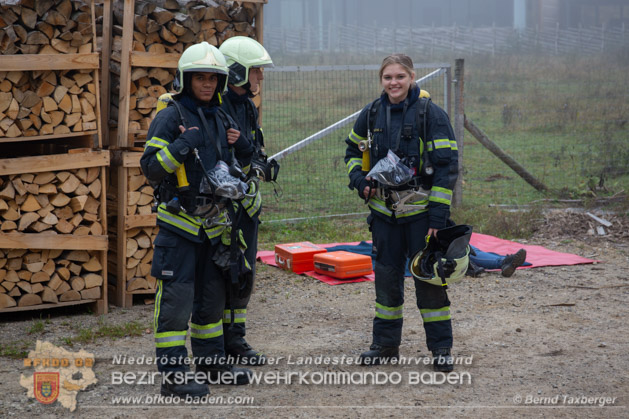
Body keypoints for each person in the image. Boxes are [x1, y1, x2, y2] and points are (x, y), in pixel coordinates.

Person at [141, 42, 254, 397]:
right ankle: (174, 377)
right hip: (179, 228)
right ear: (185, 79)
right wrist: (180, 146)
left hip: (215, 226)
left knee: (210, 299)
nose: (206, 84)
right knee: (176, 301)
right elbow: (151, 169)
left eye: (213, 78)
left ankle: (211, 364)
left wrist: (244, 147)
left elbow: (235, 168)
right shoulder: (170, 116)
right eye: (199, 77)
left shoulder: (222, 116)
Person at [344, 53, 459, 372]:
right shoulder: (371, 113)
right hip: (383, 216)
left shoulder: (431, 115)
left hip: (421, 216)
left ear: (411, 77)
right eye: (387, 77)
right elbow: (352, 150)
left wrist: (438, 219)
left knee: (429, 281)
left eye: (399, 77)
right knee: (387, 280)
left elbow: (447, 170)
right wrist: (358, 179)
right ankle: (384, 346)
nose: (393, 83)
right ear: (381, 80)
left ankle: (441, 349)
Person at [218, 36, 275, 366]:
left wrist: (259, 163)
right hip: (222, 208)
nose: (260, 78)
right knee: (222, 273)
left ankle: (236, 339)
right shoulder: (218, 106)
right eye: (256, 71)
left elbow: (256, 150)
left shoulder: (247, 108)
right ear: (237, 71)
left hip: (246, 206)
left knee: (244, 271)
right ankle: (217, 344)